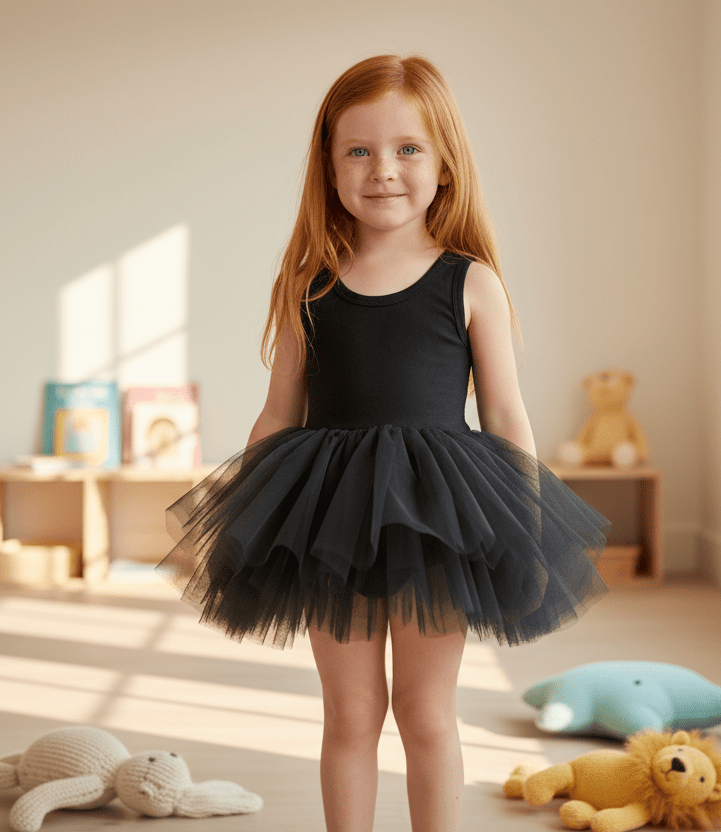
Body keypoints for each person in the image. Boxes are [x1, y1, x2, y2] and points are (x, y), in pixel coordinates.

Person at [156, 54, 610, 832]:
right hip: (329, 520)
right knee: (350, 714)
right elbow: (278, 415)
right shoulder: (309, 283)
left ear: (444, 164)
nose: (383, 170)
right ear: (329, 166)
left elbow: (505, 415)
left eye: (407, 149)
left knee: (427, 714)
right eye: (358, 151)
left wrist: (526, 527)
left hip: (440, 519)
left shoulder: (470, 281)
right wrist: (244, 519)